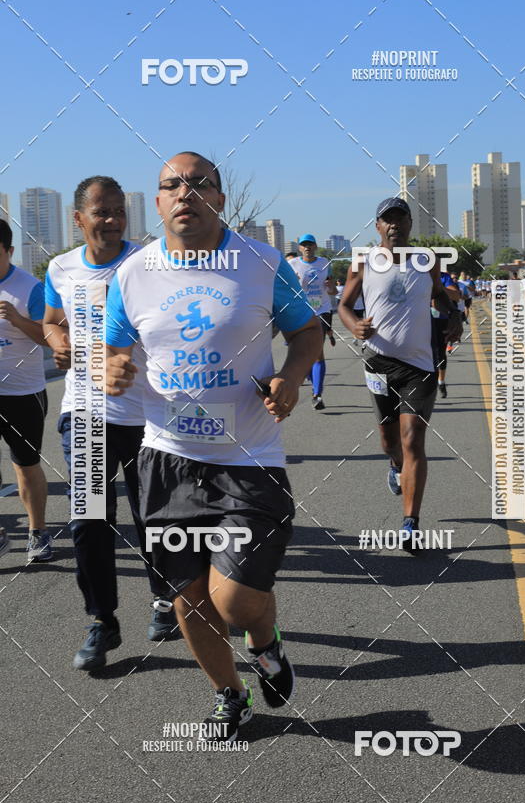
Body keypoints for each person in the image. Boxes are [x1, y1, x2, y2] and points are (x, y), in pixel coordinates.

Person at [104, 151, 321, 741]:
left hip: (247, 459)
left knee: (234, 601)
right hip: (167, 460)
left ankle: (265, 639)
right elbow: (116, 347)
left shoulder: (261, 262)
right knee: (189, 598)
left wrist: (291, 378)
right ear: (157, 201)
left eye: (198, 184)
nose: (184, 194)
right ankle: (231, 693)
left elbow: (307, 329)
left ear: (219, 198)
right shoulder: (134, 272)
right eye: (171, 185)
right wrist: (115, 367)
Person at [43, 176, 179, 671]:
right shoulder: (60, 268)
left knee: (156, 521)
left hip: (148, 414)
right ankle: (103, 620)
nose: (113, 220)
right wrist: (57, 339)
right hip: (84, 410)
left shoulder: (150, 264)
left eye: (120, 211)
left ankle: (165, 599)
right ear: (78, 219)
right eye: (102, 211)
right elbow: (51, 319)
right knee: (90, 518)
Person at [338, 198, 462, 548]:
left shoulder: (427, 261)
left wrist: (452, 316)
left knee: (412, 441)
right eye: (386, 220)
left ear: (410, 224)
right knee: (390, 443)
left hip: (420, 366)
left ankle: (410, 523)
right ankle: (395, 467)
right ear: (377, 226)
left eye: (400, 219)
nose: (394, 225)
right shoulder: (363, 262)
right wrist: (354, 326)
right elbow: (344, 305)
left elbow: (441, 297)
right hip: (378, 362)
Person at [0, 219, 52, 562]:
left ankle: (37, 532)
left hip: (23, 394)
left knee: (25, 464)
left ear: (9, 251)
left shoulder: (29, 288)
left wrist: (18, 321)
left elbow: (50, 336)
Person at [287, 235, 337, 410]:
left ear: (315, 246)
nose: (307, 247)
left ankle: (317, 395)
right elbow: (285, 289)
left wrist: (331, 286)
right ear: (300, 248)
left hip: (321, 311)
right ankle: (311, 377)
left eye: (310, 244)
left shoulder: (324, 262)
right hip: (300, 312)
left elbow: (332, 291)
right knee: (302, 354)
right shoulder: (292, 265)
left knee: (317, 353)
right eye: (303, 245)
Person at [431, 269, 462, 399]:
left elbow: (456, 295)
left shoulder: (443, 276)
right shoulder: (414, 274)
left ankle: (441, 382)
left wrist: (438, 288)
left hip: (440, 320)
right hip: (419, 321)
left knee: (440, 353)